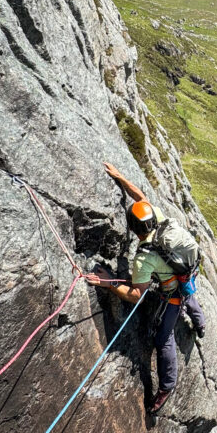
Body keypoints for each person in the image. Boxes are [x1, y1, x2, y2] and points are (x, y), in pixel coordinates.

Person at [87, 163, 206, 414]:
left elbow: (136, 295)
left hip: (172, 293)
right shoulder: (159, 219)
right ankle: (200, 322)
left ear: (134, 229)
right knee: (189, 290)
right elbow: (141, 197)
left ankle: (167, 386)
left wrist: (108, 283)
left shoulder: (144, 258)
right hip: (189, 269)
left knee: (164, 338)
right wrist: (121, 177)